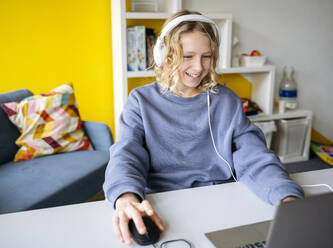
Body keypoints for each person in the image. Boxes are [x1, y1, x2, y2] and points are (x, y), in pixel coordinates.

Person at [103, 10, 304, 246]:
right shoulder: (140, 100)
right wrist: (126, 198)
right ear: (164, 54)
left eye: (206, 56)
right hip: (165, 204)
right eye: (187, 56)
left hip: (222, 199)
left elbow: (253, 155)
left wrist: (287, 197)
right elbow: (127, 152)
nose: (198, 67)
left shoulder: (226, 100)